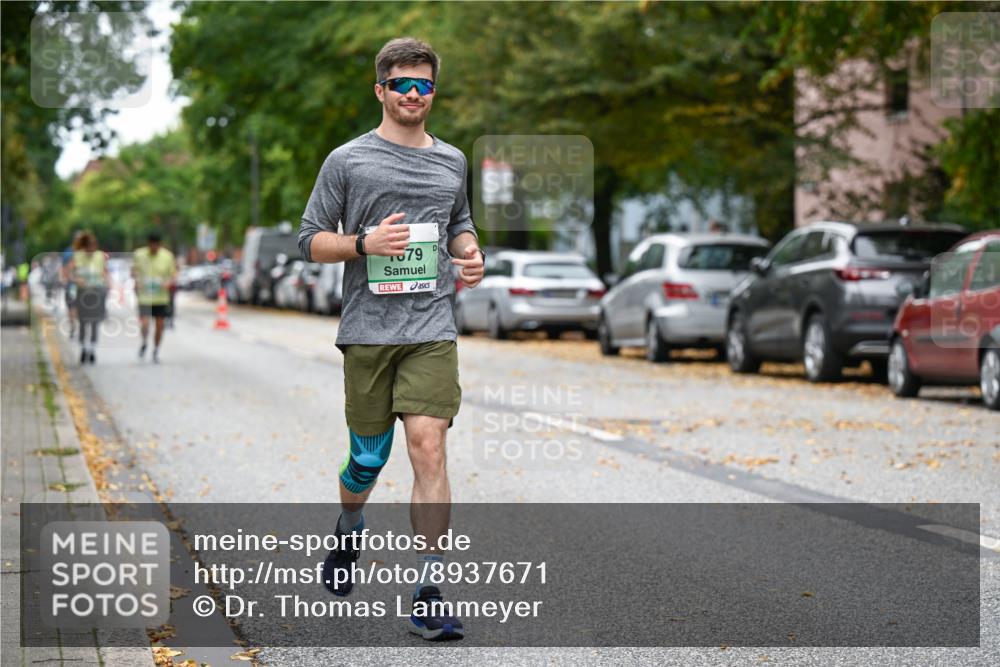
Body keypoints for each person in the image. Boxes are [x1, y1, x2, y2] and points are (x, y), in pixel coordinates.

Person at [297, 37, 484, 641]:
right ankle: (349, 530)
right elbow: (309, 240)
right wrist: (362, 244)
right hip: (368, 332)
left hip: (431, 327)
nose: (412, 93)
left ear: (434, 91)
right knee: (367, 462)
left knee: (428, 448)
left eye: (423, 84)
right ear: (380, 90)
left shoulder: (453, 160)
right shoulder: (347, 161)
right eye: (401, 83)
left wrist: (470, 252)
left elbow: (458, 223)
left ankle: (428, 592)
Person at [132, 231, 177, 363]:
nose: (154, 248)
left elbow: (173, 274)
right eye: (152, 245)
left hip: (161, 298)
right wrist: (137, 280)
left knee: (159, 325)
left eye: (156, 245)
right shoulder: (139, 255)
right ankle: (145, 341)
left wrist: (168, 283)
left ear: (160, 245)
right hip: (145, 297)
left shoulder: (167, 256)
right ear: (148, 244)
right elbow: (134, 270)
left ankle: (156, 349)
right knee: (145, 323)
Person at [66, 231, 108, 364]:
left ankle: (92, 349)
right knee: (83, 322)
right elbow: (70, 273)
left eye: (93, 246)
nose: (90, 249)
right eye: (88, 246)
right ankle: (84, 348)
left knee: (95, 322)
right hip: (82, 293)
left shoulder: (100, 257)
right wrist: (76, 279)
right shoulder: (77, 256)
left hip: (96, 292)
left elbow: (105, 273)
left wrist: (106, 283)